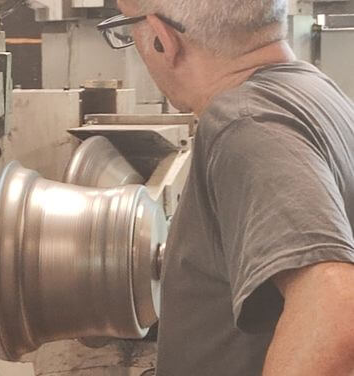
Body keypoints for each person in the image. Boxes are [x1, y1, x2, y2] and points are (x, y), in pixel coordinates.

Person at [97, 1, 354, 375]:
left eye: (127, 27)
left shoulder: (244, 123)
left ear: (161, 39)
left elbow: (336, 311)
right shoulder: (319, 92)